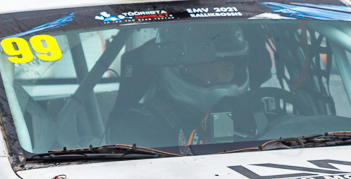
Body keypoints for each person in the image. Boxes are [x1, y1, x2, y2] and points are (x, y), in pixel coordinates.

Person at [108, 23, 252, 147]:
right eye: (204, 67)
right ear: (178, 68)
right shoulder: (139, 125)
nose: (219, 78)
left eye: (228, 68)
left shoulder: (254, 113)